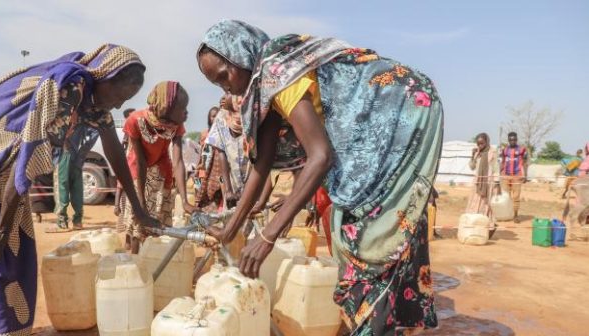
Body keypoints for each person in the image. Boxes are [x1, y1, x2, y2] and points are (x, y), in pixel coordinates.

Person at [197, 20, 442, 335]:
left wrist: (268, 237)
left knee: (364, 234)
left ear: (241, 53)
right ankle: (384, 323)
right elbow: (263, 162)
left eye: (224, 75)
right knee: (363, 230)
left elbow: (321, 155)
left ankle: (377, 323)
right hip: (385, 125)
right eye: (216, 83)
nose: (226, 86)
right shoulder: (265, 88)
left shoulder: (276, 71)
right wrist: (230, 229)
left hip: (402, 113)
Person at [0, 44, 158, 335]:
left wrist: (139, 212)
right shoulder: (67, 87)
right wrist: (1, 229)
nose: (116, 106)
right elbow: (24, 158)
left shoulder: (91, 100)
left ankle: (10, 329)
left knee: (17, 255)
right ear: (105, 75)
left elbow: (113, 150)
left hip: (8, 176)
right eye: (119, 96)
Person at [116, 81, 197, 254]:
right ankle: (135, 259)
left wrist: (184, 201)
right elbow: (141, 162)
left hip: (161, 170)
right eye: (182, 108)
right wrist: (142, 206)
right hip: (137, 171)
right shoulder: (135, 121)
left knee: (157, 221)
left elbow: (178, 161)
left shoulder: (176, 126)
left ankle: (150, 259)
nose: (186, 113)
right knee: (138, 222)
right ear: (166, 108)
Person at [48, 124, 99, 231]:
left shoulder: (61, 120)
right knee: (77, 188)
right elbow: (95, 132)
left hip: (63, 155)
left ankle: (62, 223)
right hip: (77, 156)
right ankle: (77, 221)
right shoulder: (81, 122)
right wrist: (82, 152)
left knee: (61, 188)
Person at [467, 133, 501, 237]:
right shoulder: (477, 153)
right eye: (478, 144)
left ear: (486, 142)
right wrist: (472, 156)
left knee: (487, 207)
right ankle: (477, 228)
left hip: (489, 185)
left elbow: (496, 168)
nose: (480, 146)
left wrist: (497, 183)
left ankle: (490, 228)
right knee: (475, 206)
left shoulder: (493, 152)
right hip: (478, 184)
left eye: (482, 143)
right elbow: (472, 167)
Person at [500, 132, 528, 223]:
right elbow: (502, 162)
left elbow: (525, 163)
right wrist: (500, 174)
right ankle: (506, 214)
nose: (512, 141)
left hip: (517, 175)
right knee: (505, 197)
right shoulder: (504, 150)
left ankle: (515, 215)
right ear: (508, 140)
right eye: (510, 139)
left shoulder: (522, 150)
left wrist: (525, 175)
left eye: (514, 139)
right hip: (506, 176)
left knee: (516, 197)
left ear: (516, 139)